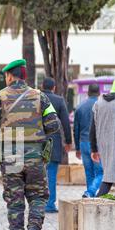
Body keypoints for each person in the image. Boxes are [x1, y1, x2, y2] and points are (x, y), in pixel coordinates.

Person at [0, 59, 60, 230]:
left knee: (15, 201)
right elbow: (54, 125)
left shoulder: (0, 97)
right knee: (38, 197)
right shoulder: (40, 96)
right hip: (36, 156)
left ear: (10, 76)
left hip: (10, 156)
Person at [42, 78, 72, 213]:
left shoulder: (36, 99)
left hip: (37, 141)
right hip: (53, 141)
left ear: (42, 86)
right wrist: (68, 141)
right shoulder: (59, 101)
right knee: (52, 173)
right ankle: (49, 204)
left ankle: (37, 203)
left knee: (36, 174)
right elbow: (65, 122)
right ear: (53, 87)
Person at [74, 84, 104, 198]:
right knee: (100, 172)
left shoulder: (80, 107)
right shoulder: (101, 106)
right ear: (99, 93)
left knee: (89, 172)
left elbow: (76, 129)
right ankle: (91, 191)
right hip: (96, 144)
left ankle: (89, 195)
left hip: (83, 143)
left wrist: (77, 148)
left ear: (88, 92)